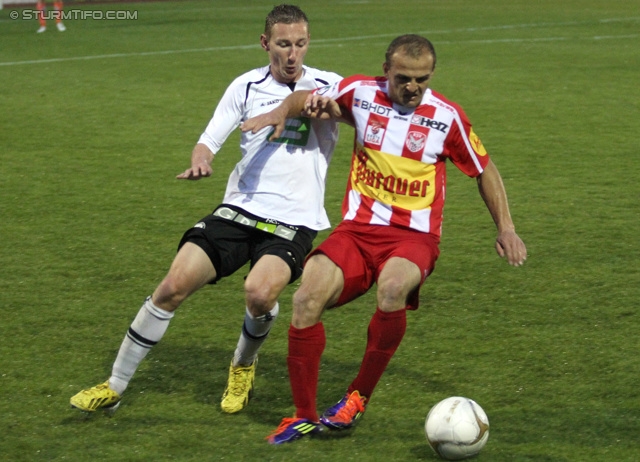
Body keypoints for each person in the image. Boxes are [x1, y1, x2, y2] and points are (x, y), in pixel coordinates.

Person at [242, 34, 527, 444]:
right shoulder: (360, 92)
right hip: (357, 231)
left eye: (421, 80)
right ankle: (303, 416)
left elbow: (484, 169)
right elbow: (307, 98)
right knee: (305, 299)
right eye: (403, 78)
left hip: (414, 237)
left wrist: (506, 227)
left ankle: (357, 395)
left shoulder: (446, 117)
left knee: (392, 288)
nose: (412, 88)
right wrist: (284, 111)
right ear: (386, 70)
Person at [69, 4, 341, 416]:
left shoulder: (329, 85)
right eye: (283, 44)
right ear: (266, 43)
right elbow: (208, 138)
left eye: (300, 44)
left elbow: (342, 109)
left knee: (258, 293)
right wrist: (202, 159)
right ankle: (114, 385)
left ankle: (242, 365)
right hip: (239, 208)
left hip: (294, 218)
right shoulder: (245, 86)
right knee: (172, 286)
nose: (292, 55)